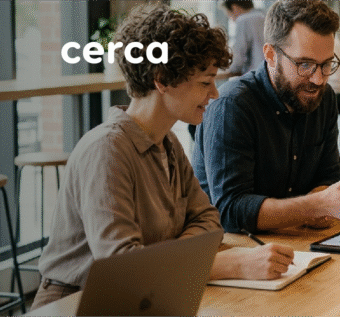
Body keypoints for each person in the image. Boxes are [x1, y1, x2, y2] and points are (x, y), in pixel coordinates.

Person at [31, 4, 295, 310]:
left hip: (142, 299)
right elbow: (125, 270)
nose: (215, 94)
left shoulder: (167, 142)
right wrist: (230, 265)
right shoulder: (106, 150)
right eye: (204, 82)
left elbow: (208, 221)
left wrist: (165, 258)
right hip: (75, 303)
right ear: (161, 79)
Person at [192, 0, 340, 234]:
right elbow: (230, 211)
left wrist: (322, 203)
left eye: (326, 64)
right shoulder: (233, 106)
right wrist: (315, 206)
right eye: (304, 64)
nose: (318, 79)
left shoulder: (324, 98)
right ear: (270, 55)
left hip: (296, 240)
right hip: (234, 248)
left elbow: (328, 178)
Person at [223, 0, 267, 75]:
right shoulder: (265, 15)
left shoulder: (243, 20)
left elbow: (239, 57)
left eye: (229, 15)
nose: (232, 20)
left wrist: (229, 70)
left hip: (254, 75)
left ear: (235, 8)